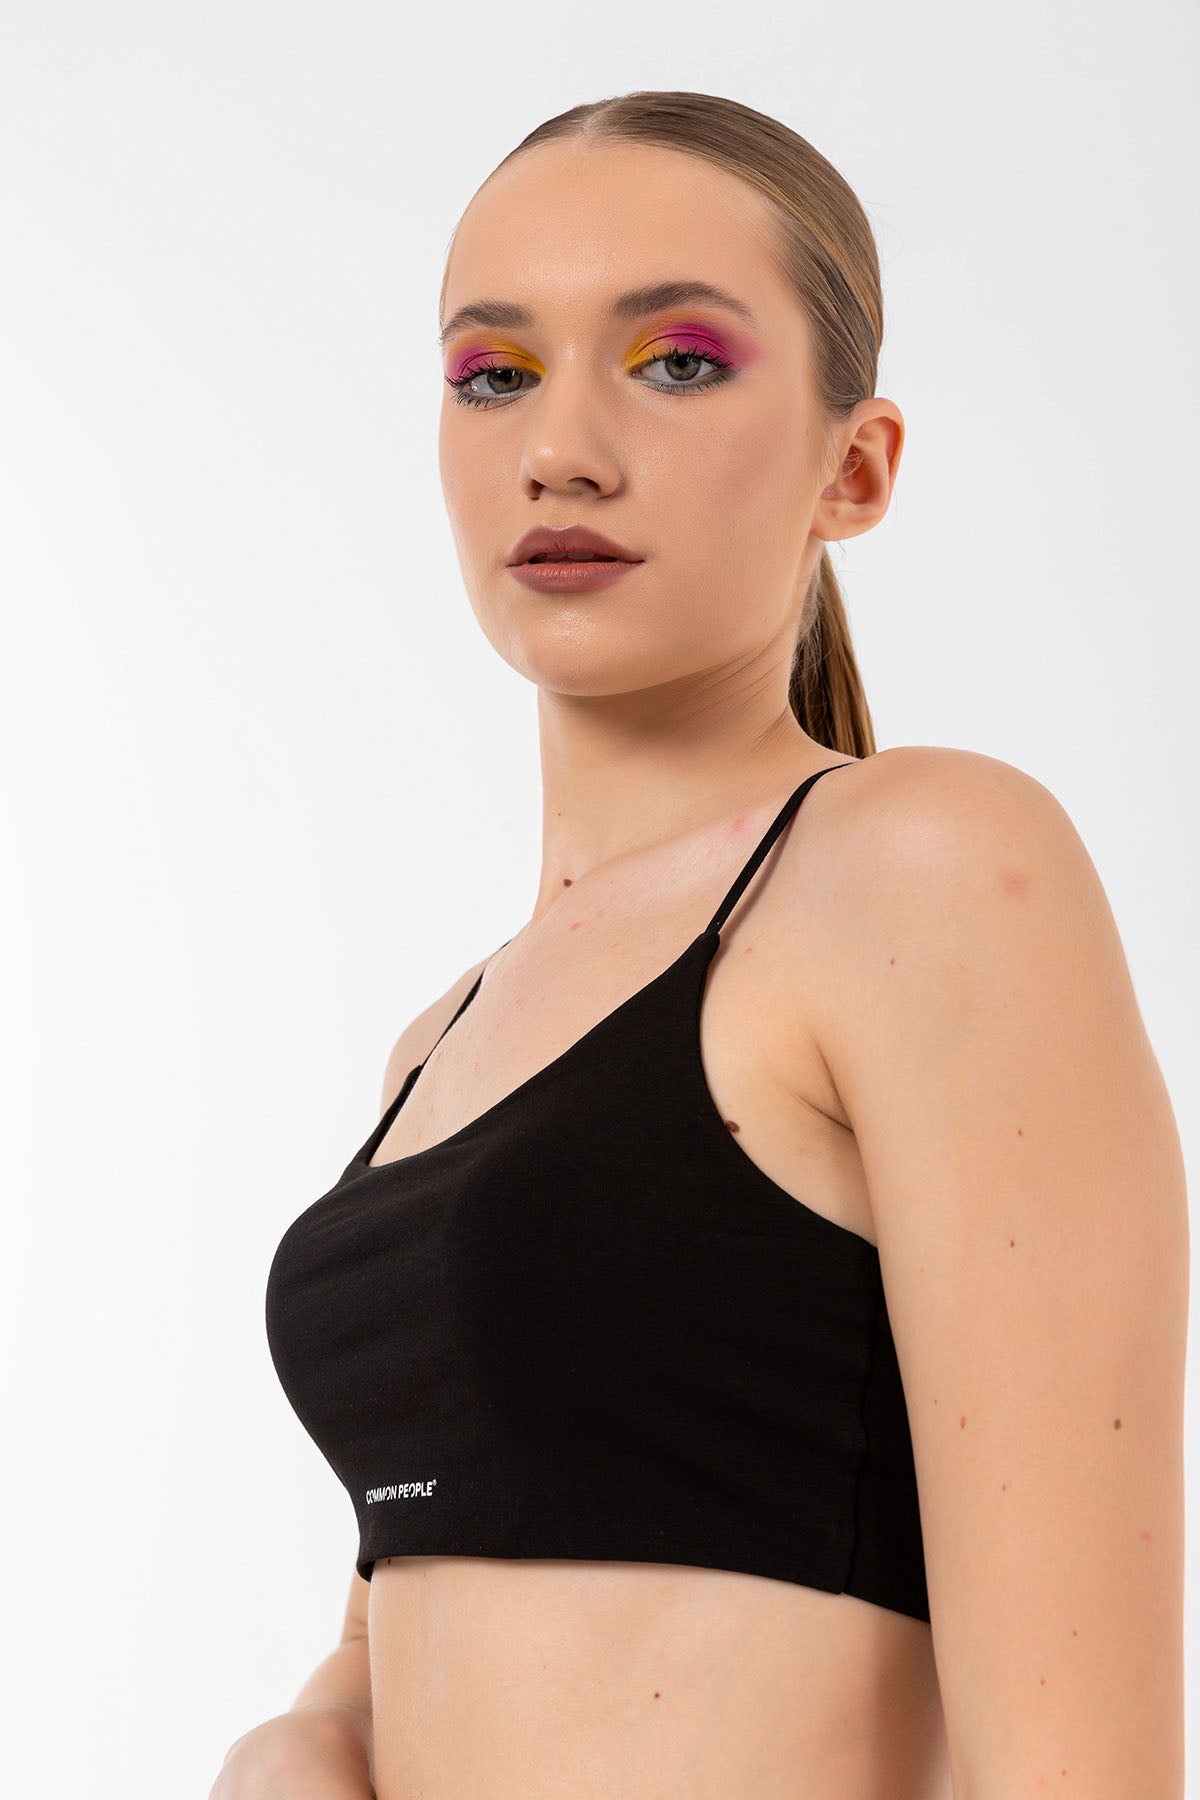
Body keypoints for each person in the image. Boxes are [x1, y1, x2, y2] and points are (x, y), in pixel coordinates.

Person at [211, 90, 1188, 1800]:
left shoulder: (921, 870)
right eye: (494, 374)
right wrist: (300, 1743)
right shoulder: (440, 1046)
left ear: (853, 467)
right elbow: (422, 1610)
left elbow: (1080, 1763)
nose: (561, 449)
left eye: (675, 361)